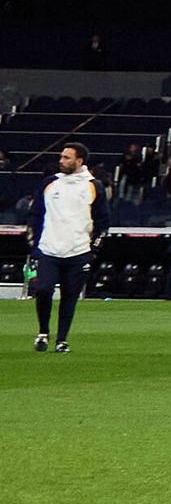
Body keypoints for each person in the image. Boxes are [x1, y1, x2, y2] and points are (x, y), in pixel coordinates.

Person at [28, 143, 93, 352]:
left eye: (66, 158)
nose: (61, 161)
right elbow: (35, 214)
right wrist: (34, 243)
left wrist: (94, 249)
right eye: (62, 157)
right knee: (44, 290)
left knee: (70, 297)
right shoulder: (50, 183)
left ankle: (62, 340)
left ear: (79, 161)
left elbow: (102, 219)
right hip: (49, 249)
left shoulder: (92, 186)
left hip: (78, 252)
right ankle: (43, 332)